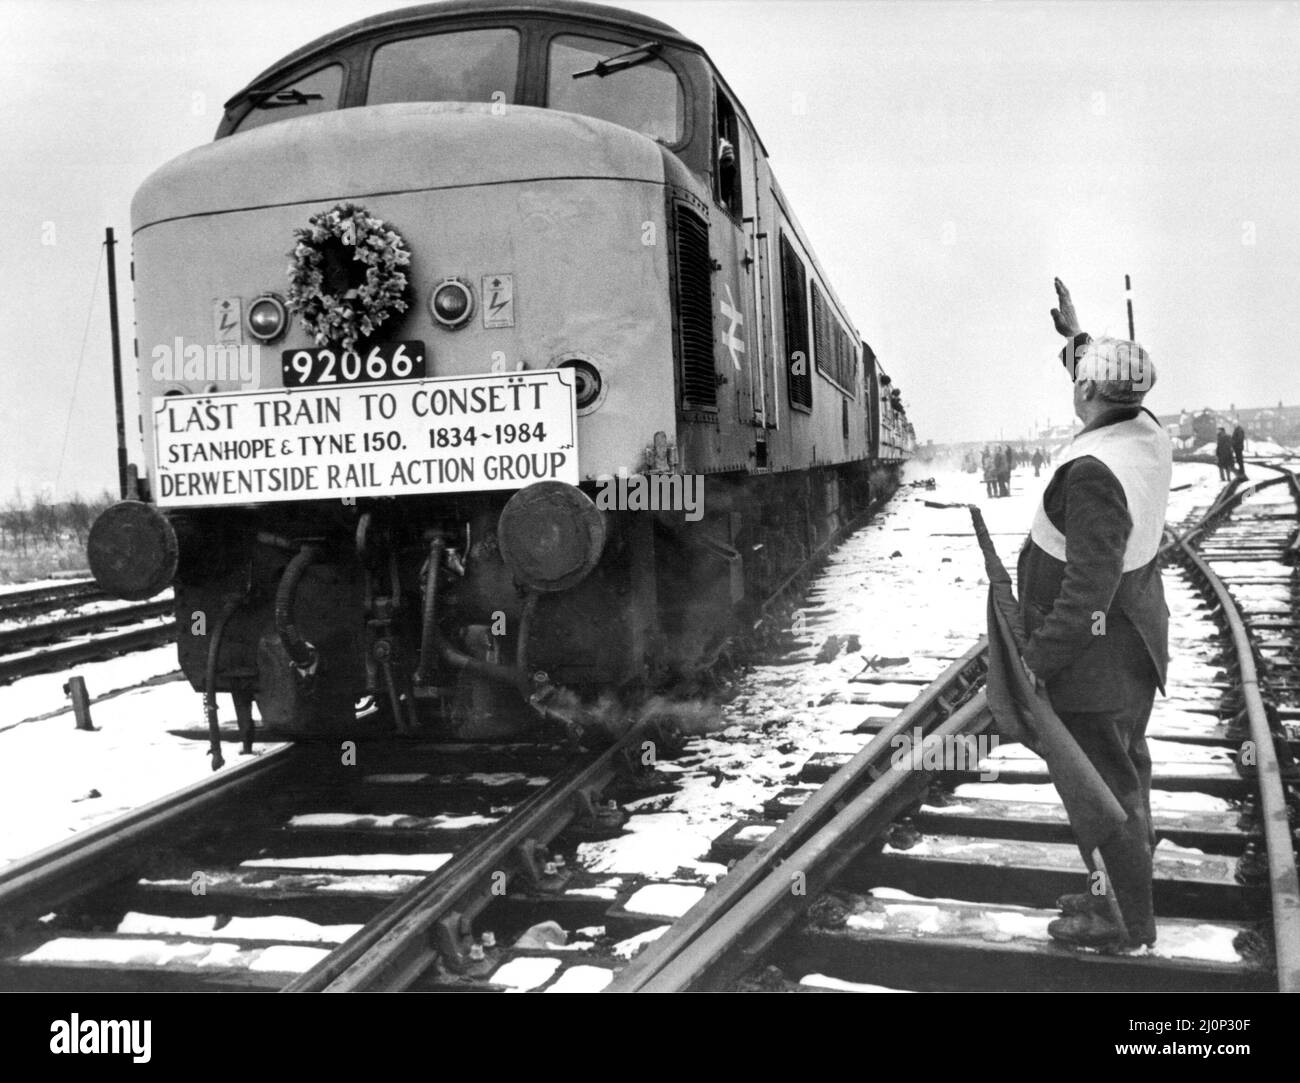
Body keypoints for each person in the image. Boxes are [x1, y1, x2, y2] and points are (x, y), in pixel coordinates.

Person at [1019, 277, 1172, 951]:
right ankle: (1118, 892)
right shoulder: (1143, 429)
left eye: (1081, 376)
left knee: (1102, 789)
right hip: (1133, 644)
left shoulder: (1093, 469)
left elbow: (1087, 593)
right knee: (1123, 770)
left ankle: (1125, 920)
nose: (1075, 384)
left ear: (1089, 394)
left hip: (1097, 659)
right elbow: (1104, 377)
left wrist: (1035, 660)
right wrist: (1076, 336)